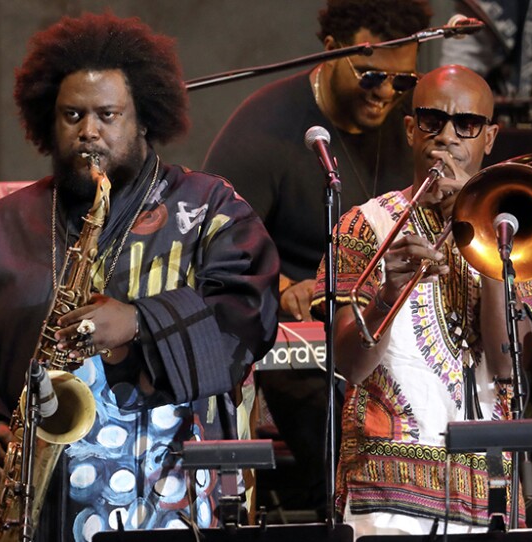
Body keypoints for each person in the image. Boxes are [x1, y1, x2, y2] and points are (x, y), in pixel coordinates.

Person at [0, 12, 279, 542]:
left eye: (107, 114)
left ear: (144, 119)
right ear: (48, 121)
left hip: (172, 498)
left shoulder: (210, 210)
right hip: (36, 509)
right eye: (72, 115)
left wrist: (137, 322)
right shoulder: (5, 226)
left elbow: (247, 314)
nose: (89, 131)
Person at [203, 0, 433, 518]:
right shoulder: (265, 127)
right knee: (337, 431)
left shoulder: (411, 122)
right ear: (332, 51)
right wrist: (285, 285)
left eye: (403, 81)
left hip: (401, 324)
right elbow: (213, 243)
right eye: (372, 75)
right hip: (304, 342)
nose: (386, 93)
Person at [314, 64, 532, 536]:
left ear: (489, 138)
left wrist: (484, 230)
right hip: (385, 496)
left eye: (466, 125)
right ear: (409, 129)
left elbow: (507, 367)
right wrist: (388, 294)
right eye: (431, 121)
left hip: (488, 494)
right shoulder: (364, 225)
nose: (446, 136)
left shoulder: (518, 235)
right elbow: (350, 365)